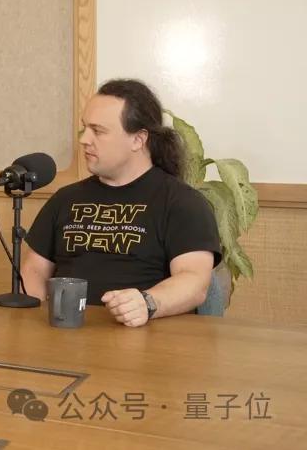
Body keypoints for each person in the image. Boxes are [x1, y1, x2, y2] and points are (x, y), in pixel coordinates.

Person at [21, 79, 221, 327]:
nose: (84, 139)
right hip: (65, 334)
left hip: (144, 337)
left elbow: (194, 281)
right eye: (85, 128)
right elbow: (34, 269)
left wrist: (147, 303)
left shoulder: (182, 202)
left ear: (138, 139)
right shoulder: (65, 199)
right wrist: (36, 322)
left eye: (98, 131)